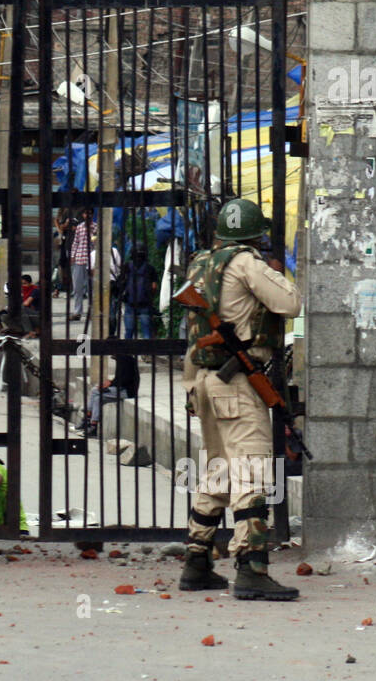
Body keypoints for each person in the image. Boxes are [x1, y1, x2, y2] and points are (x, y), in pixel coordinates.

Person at [179, 198, 301, 601]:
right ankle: (251, 568)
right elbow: (290, 303)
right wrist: (275, 272)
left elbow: (194, 334)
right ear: (256, 232)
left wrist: (190, 388)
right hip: (236, 383)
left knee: (218, 470)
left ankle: (197, 560)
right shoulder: (247, 263)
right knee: (252, 472)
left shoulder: (201, 263)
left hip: (204, 381)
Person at [78, 353, 139, 438]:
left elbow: (125, 380)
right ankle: (93, 427)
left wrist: (110, 384)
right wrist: (109, 383)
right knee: (97, 399)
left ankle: (87, 419)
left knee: (95, 391)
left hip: (127, 391)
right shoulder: (121, 358)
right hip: (121, 388)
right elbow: (118, 378)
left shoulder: (125, 359)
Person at [121, 242, 158, 343]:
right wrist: (151, 297)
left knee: (129, 331)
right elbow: (154, 286)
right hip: (145, 303)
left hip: (130, 303)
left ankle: (127, 352)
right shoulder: (150, 268)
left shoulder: (127, 266)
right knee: (146, 331)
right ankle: (147, 353)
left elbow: (122, 283)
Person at [67, 207, 96, 321]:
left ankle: (91, 312)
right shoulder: (79, 227)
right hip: (79, 259)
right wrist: (72, 256)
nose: (87, 215)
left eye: (89, 213)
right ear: (83, 215)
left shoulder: (96, 227)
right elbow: (75, 242)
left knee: (91, 288)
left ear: (92, 215)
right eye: (85, 213)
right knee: (77, 288)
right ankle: (77, 312)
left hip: (91, 261)